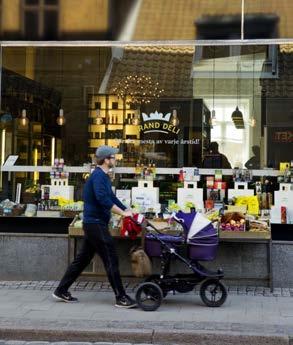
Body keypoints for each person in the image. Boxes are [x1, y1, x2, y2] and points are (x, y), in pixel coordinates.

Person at [53, 145, 136, 308]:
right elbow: (103, 200)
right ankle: (121, 297)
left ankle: (61, 290)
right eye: (113, 157)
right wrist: (122, 213)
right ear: (106, 160)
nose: (115, 160)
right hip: (95, 223)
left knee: (82, 259)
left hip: (93, 223)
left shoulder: (103, 176)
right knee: (111, 258)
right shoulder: (98, 176)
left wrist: (127, 209)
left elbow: (111, 197)